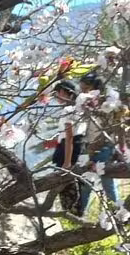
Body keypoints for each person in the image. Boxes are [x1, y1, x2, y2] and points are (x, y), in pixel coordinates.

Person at [77, 72, 119, 213]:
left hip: (103, 148)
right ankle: (79, 212)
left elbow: (108, 130)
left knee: (107, 180)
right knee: (86, 181)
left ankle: (116, 212)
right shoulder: (89, 105)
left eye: (85, 89)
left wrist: (93, 148)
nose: (82, 93)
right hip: (90, 146)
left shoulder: (107, 105)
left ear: (93, 87)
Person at [52, 80, 84, 216]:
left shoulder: (68, 110)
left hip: (67, 149)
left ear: (67, 93)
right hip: (73, 147)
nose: (56, 96)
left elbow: (70, 137)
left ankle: (73, 213)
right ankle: (73, 212)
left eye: (58, 92)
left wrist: (67, 162)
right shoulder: (79, 109)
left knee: (66, 184)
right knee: (68, 183)